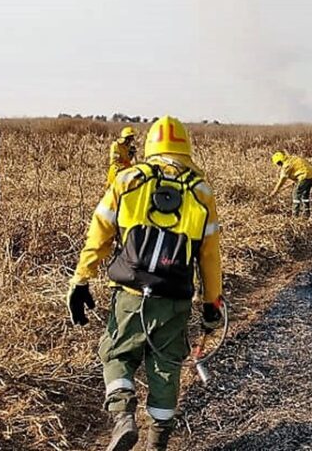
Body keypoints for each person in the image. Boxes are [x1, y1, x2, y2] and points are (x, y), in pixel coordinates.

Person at [67, 115, 224, 451]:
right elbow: (210, 256)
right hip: (174, 300)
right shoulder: (201, 192)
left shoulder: (127, 180)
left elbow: (100, 233)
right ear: (186, 148)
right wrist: (213, 303)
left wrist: (82, 278)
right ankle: (157, 443)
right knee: (166, 367)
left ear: (150, 146)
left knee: (116, 353)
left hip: (130, 295)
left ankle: (123, 416)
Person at [269, 151, 312, 218]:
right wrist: (297, 180)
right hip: (311, 176)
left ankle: (295, 216)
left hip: (304, 177)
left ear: (279, 162)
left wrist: (275, 191)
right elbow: (301, 168)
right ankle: (307, 214)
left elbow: (282, 180)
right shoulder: (293, 158)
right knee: (305, 196)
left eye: (278, 164)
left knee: (296, 195)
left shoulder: (286, 166)